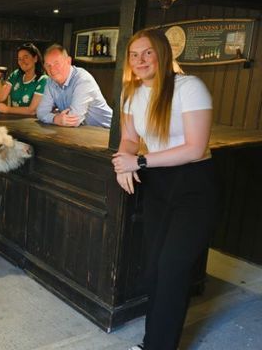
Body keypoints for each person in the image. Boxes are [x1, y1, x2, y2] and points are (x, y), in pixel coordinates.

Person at [111, 29, 217, 350]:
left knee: (173, 268)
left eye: (147, 53)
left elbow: (195, 148)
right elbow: (129, 138)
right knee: (156, 269)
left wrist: (138, 162)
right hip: (157, 185)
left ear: (162, 54)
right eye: (134, 54)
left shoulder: (190, 87)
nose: (140, 60)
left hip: (194, 185)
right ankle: (153, 343)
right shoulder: (131, 93)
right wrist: (122, 159)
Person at [37, 44, 113, 127]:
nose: (52, 69)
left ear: (68, 61)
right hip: (82, 132)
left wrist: (55, 116)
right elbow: (41, 112)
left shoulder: (82, 80)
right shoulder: (50, 81)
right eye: (48, 65)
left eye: (56, 63)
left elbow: (73, 120)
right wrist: (55, 118)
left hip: (107, 133)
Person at [0, 43, 48, 115]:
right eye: (19, 59)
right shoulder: (16, 74)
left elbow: (32, 110)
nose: (22, 61)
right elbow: (0, 98)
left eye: (26, 57)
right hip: (14, 122)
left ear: (35, 58)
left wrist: (7, 109)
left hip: (34, 124)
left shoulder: (43, 80)